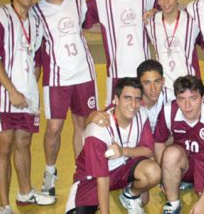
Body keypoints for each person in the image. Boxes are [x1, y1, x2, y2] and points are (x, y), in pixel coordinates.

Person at [0, 0, 55, 214]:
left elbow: (37, 60)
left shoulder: (35, 21)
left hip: (27, 96)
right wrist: (13, 91)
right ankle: (4, 206)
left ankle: (25, 193)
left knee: (24, 142)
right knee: (4, 146)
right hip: (5, 95)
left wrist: (29, 90)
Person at [33, 0, 97, 198]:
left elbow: (95, 25)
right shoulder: (37, 10)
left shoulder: (78, 0)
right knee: (55, 126)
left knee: (83, 124)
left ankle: (82, 175)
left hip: (84, 74)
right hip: (57, 78)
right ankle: (50, 173)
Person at [65, 77, 160, 214]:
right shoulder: (98, 131)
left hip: (123, 169)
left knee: (153, 172)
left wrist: (123, 151)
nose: (133, 104)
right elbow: (102, 178)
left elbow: (148, 151)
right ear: (115, 99)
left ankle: (130, 193)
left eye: (137, 99)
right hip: (93, 177)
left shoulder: (141, 115)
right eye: (127, 98)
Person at [83, 0, 156, 105]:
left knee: (145, 115)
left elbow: (166, 14)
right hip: (116, 70)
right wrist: (105, 30)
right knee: (116, 116)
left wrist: (154, 12)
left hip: (144, 71)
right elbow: (82, 23)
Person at [154, 76, 204, 214]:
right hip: (184, 164)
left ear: (202, 97)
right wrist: (164, 178)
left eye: (193, 98)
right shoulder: (168, 111)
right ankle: (173, 204)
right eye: (182, 99)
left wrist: (202, 202)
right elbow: (159, 143)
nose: (187, 105)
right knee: (171, 154)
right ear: (176, 99)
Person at [145, 0, 201, 91]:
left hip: (188, 85)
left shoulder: (192, 20)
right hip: (163, 87)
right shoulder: (150, 22)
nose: (166, 2)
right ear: (158, 1)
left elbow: (202, 3)